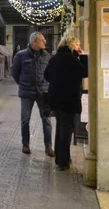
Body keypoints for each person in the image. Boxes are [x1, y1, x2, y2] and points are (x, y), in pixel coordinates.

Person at [45, 35, 87, 171]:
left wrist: (57, 82)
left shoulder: (55, 58)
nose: (78, 48)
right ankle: (63, 161)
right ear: (71, 45)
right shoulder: (72, 59)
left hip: (55, 99)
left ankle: (59, 157)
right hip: (67, 99)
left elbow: (47, 75)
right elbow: (85, 72)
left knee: (60, 129)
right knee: (66, 131)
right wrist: (84, 56)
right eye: (77, 45)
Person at [12, 32, 54, 157]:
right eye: (42, 40)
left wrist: (47, 85)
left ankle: (48, 146)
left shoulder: (47, 56)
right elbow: (15, 73)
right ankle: (25, 144)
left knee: (46, 120)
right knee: (25, 119)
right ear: (34, 42)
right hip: (27, 92)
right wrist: (23, 84)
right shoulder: (21, 55)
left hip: (43, 92)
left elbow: (50, 73)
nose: (45, 42)